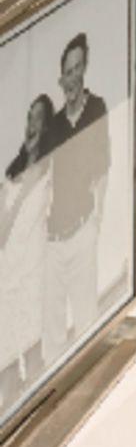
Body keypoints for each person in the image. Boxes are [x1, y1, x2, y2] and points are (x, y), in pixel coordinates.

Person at [43, 35, 109, 362]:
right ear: (61, 77)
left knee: (86, 325)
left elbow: (104, 168)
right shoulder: (54, 125)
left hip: (83, 231)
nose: (72, 76)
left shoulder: (97, 108)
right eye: (67, 71)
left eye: (77, 68)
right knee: (52, 336)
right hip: (53, 241)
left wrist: (97, 223)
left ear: (86, 69)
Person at [0, 94, 58, 405]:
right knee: (6, 363)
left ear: (46, 126)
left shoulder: (51, 169)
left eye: (38, 118)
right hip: (7, 275)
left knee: (34, 356)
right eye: (29, 118)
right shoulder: (11, 176)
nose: (31, 124)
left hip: (34, 272)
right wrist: (19, 189)